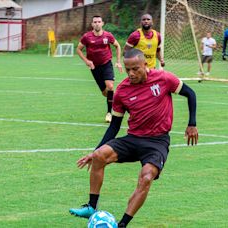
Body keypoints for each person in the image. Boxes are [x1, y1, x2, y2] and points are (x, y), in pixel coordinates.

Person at [69, 48, 198, 227]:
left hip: (157, 142)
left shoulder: (164, 79)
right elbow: (114, 126)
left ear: (145, 65)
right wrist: (95, 151)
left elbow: (190, 93)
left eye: (135, 68)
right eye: (128, 69)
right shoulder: (122, 90)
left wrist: (192, 123)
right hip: (133, 139)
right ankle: (91, 206)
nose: (131, 73)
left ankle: (122, 224)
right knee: (99, 157)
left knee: (146, 177)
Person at [76, 15, 123, 123]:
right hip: (94, 67)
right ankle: (116, 99)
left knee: (110, 86)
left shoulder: (108, 36)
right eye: (95, 22)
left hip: (106, 64)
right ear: (92, 24)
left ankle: (109, 113)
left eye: (99, 21)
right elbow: (78, 49)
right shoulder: (87, 37)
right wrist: (87, 61)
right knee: (105, 93)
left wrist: (118, 61)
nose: (97, 23)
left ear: (102, 23)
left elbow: (117, 46)